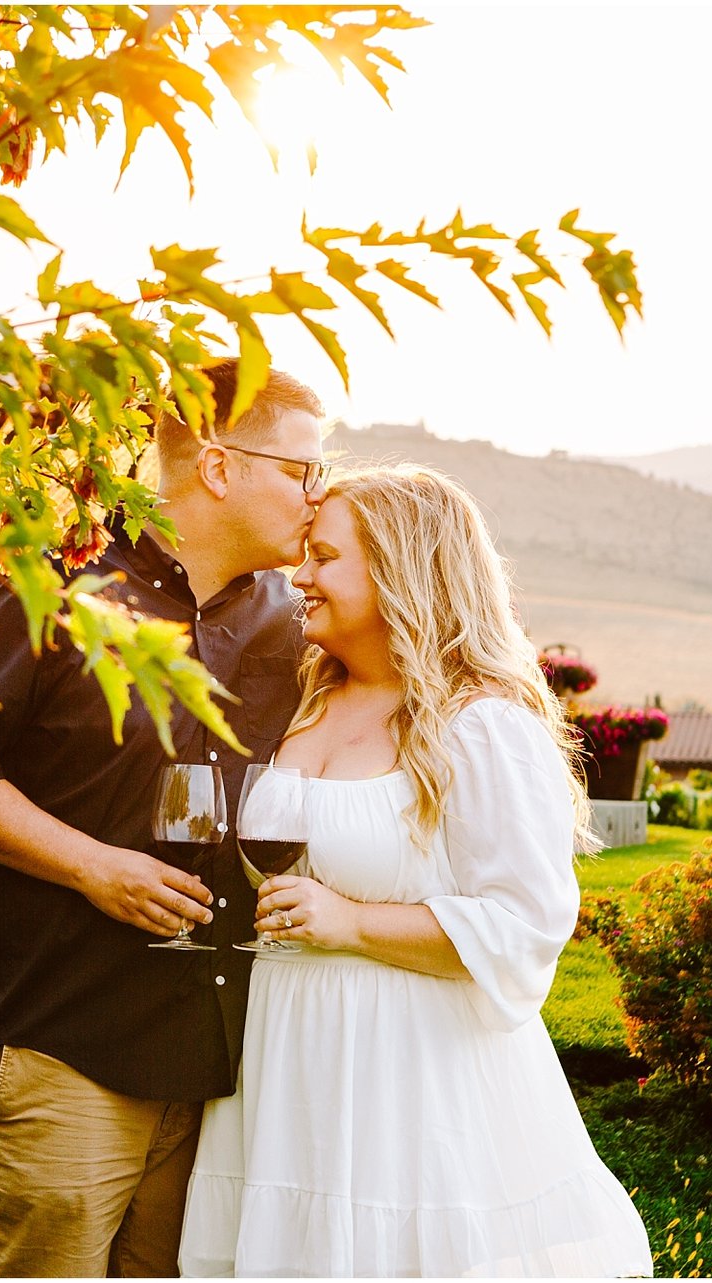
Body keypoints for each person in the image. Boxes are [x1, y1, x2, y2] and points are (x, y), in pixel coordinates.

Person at [0, 361, 329, 1277]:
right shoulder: (55, 583)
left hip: (222, 1065)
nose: (315, 496)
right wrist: (94, 865)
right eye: (300, 470)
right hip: (67, 1037)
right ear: (218, 466)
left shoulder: (293, 623)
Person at [176, 464, 654, 1278]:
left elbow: (526, 924)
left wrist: (351, 922)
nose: (300, 577)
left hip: (408, 1081)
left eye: (324, 557)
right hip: (290, 1065)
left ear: (398, 567)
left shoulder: (482, 725)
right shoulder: (304, 697)